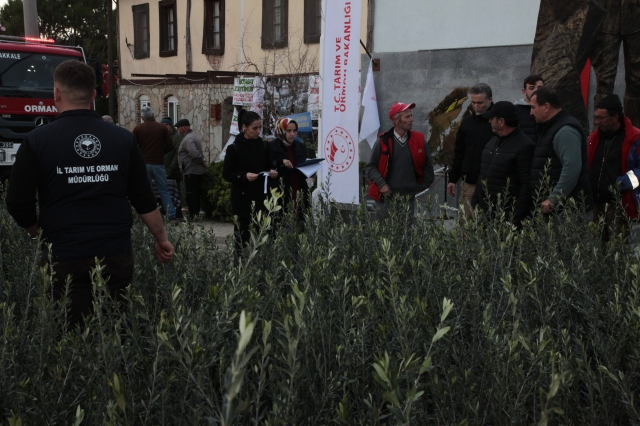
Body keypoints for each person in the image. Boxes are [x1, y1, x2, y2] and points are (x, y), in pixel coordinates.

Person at [5, 60, 174, 329]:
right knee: (114, 331)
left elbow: (16, 200)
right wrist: (161, 238)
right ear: (94, 95)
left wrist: (38, 234)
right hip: (115, 253)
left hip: (62, 255)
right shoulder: (122, 139)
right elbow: (143, 197)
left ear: (56, 94)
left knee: (68, 336)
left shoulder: (37, 141)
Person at [471, 101, 535, 228]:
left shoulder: (524, 146)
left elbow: (526, 185)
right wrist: (475, 201)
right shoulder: (492, 142)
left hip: (506, 218)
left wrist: (515, 218)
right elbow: (483, 174)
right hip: (486, 214)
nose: (489, 121)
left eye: (491, 118)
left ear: (501, 121)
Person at [529, 87, 593, 214]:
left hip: (568, 212)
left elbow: (572, 167)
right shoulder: (550, 128)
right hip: (556, 211)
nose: (531, 112)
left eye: (533, 107)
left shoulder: (565, 131)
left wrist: (554, 198)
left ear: (546, 107)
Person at [222, 110, 277, 258]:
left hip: (261, 198)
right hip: (243, 200)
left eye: (260, 128)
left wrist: (272, 171)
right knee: (242, 238)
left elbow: (268, 165)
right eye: (255, 128)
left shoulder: (264, 145)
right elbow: (227, 173)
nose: (258, 131)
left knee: (262, 236)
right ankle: (240, 268)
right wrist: (243, 176)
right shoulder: (234, 148)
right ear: (244, 127)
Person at [366, 102, 435, 219]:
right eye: (407, 117)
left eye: (411, 116)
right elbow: (370, 167)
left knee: (406, 235)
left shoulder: (419, 140)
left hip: (408, 200)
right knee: (384, 235)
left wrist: (417, 188)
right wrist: (382, 184)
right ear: (396, 120)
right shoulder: (383, 140)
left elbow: (428, 168)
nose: (412, 119)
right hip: (385, 200)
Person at [587, 94, 640, 241]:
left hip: (619, 205)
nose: (597, 122)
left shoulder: (634, 138)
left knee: (617, 247)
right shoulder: (595, 138)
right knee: (595, 247)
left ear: (615, 117)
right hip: (596, 203)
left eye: (601, 118)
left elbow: (639, 172)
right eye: (595, 117)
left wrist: (620, 184)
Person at [447, 83, 495, 221]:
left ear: (490, 100)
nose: (476, 106)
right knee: (465, 223)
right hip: (469, 182)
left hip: (492, 183)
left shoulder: (497, 121)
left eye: (480, 102)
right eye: (473, 102)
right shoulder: (467, 122)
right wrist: (452, 178)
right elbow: (460, 152)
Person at [590, 0, 640, 127]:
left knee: (637, 82)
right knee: (603, 82)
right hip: (605, 17)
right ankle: (600, 138)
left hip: (635, 15)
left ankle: (635, 136)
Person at [133, 106, 177, 223]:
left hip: (144, 164)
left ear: (142, 117)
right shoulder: (161, 128)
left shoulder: (138, 129)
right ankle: (171, 215)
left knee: (146, 191)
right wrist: (161, 153)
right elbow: (170, 145)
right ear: (153, 115)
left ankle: (146, 217)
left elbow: (132, 146)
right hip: (159, 164)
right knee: (164, 190)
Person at [269, 117, 310, 219]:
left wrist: (311, 173)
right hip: (281, 190)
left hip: (299, 187)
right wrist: (280, 163)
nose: (292, 134)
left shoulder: (301, 146)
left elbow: (305, 164)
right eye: (289, 131)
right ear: (281, 130)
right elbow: (268, 165)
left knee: (299, 219)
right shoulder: (271, 147)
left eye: (295, 130)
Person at [176, 119, 207, 219]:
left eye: (178, 127)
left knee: (191, 193)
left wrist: (201, 160)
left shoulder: (188, 139)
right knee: (194, 193)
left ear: (184, 127)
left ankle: (193, 215)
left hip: (191, 171)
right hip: (193, 170)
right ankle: (195, 213)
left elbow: (193, 152)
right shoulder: (191, 136)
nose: (177, 129)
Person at [514, 75, 544, 142]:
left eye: (539, 88)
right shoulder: (515, 110)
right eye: (531, 88)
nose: (536, 90)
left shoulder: (548, 109)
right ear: (524, 91)